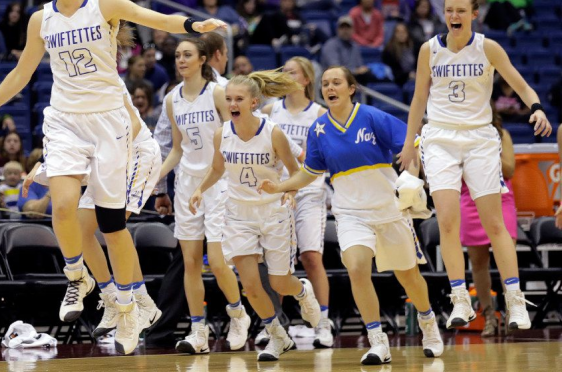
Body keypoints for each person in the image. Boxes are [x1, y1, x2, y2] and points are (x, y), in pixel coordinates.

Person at [0, 0, 226, 356]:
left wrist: (193, 26)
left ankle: (132, 303)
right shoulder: (39, 19)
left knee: (109, 224)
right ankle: (79, 277)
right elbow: (20, 75)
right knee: (62, 206)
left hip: (111, 126)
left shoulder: (104, 5)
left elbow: (155, 17)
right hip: (65, 119)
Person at [258, 65, 444, 365]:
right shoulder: (318, 130)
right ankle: (377, 341)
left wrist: (411, 178)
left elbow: (411, 146)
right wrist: (279, 186)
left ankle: (428, 323)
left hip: (388, 210)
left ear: (351, 88)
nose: (330, 88)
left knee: (408, 276)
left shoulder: (372, 117)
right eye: (326, 84)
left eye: (336, 83)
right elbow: (309, 173)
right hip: (350, 213)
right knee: (356, 267)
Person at [397, 0, 553, 333]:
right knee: (448, 222)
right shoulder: (429, 50)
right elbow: (419, 98)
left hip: (481, 138)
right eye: (449, 10)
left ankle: (514, 300)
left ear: (474, 15)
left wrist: (537, 107)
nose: (453, 15)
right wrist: (410, 143)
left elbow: (518, 80)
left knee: (494, 223)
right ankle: (459, 300)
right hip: (439, 138)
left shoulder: (488, 47)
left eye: (460, 10)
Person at [189, 70, 321, 361]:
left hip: (273, 213)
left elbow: (294, 171)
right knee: (250, 285)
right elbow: (217, 168)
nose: (232, 104)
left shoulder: (273, 132)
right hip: (238, 215)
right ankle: (277, 336)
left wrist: (290, 192)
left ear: (253, 102)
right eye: (228, 99)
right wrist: (200, 189)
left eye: (239, 99)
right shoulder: (221, 133)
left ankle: (301, 292)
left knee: (278, 283)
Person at [24, 79, 164, 338]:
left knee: (113, 227)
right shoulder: (68, 88)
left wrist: (105, 157)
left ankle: (143, 303)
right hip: (106, 160)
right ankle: (110, 296)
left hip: (135, 153)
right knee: (81, 228)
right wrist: (47, 167)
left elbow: (132, 123)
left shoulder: (105, 75)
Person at [157, 38, 250, 354]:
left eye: (187, 55)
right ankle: (199, 331)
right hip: (187, 185)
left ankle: (238, 314)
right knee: (190, 261)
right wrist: (153, 178)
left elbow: (234, 138)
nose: (180, 60)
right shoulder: (172, 100)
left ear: (202, 60)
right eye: (177, 56)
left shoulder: (216, 93)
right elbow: (177, 149)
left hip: (219, 182)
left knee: (219, 260)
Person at [260, 57, 333, 347]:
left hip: (310, 193)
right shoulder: (270, 111)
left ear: (305, 80)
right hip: (278, 193)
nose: (287, 75)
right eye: (284, 71)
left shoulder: (319, 113)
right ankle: (274, 326)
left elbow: (326, 158)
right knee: (278, 264)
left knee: (311, 256)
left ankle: (323, 324)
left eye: (293, 72)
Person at [460, 108, 516, 337]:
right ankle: (489, 316)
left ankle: (513, 310)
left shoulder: (501, 134)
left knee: (507, 256)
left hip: (500, 197)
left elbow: (510, 170)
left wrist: (489, 150)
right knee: (478, 263)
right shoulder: (457, 137)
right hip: (470, 197)